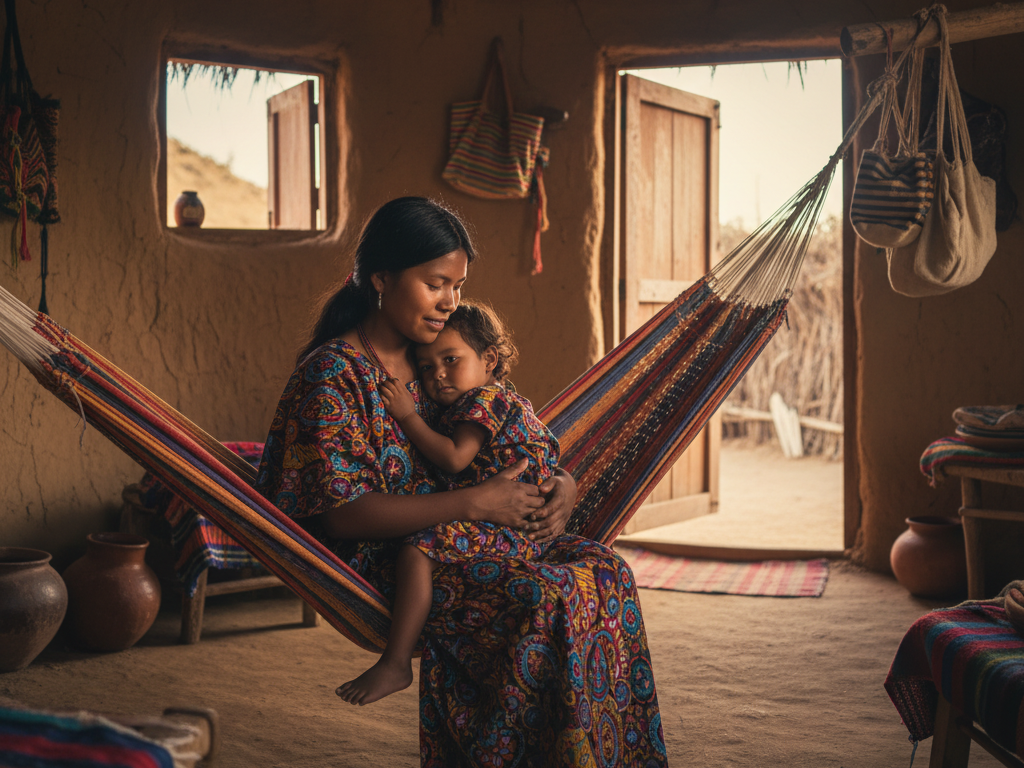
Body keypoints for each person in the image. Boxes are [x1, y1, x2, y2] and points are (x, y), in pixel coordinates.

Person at [256, 197, 668, 767]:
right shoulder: (333, 375)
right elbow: (341, 514)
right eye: (436, 284)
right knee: (545, 598)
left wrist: (564, 484)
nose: (451, 301)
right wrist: (476, 503)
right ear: (381, 278)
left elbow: (509, 431)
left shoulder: (440, 359)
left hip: (477, 536)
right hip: (396, 559)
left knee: (605, 571)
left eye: (458, 285)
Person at [336, 300, 559, 706]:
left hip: (507, 527)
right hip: (514, 526)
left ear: (489, 359)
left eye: (450, 359)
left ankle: (396, 661)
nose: (437, 375)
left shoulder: (483, 402)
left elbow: (455, 458)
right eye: (425, 366)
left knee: (417, 552)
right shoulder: (500, 401)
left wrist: (407, 416)